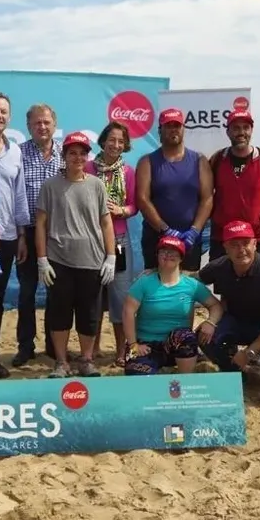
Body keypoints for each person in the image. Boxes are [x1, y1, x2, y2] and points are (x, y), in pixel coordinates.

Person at [36, 131, 116, 378]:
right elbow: (41, 223)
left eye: (82, 153)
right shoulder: (50, 186)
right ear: (65, 155)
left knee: (89, 314)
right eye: (73, 153)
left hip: (91, 261)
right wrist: (42, 260)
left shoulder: (96, 185)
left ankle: (86, 359)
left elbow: (106, 223)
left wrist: (110, 257)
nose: (78, 157)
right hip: (59, 260)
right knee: (59, 314)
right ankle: (61, 361)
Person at [197, 221, 260, 390]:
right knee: (203, 335)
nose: (241, 250)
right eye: (234, 245)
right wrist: (161, 274)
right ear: (225, 247)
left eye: (246, 243)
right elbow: (192, 280)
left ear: (255, 244)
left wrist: (249, 353)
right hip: (236, 321)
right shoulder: (220, 266)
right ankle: (234, 370)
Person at [123, 236, 223, 376]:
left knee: (186, 336)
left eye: (173, 252)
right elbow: (128, 312)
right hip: (144, 343)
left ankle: (185, 381)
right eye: (163, 251)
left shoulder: (191, 285)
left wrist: (210, 322)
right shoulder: (143, 282)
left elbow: (216, 305)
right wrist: (133, 344)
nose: (168, 255)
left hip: (176, 344)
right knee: (136, 377)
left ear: (181, 258)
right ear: (157, 255)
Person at [86, 121, 139, 366]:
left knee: (119, 294)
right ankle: (93, 347)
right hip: (90, 241)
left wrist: (121, 209)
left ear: (125, 145)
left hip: (118, 241)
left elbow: (135, 206)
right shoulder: (87, 168)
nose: (116, 145)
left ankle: (121, 349)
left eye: (121, 141)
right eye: (112, 140)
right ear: (103, 141)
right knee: (93, 295)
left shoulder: (128, 172)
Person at [136, 108, 214, 272]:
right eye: (168, 126)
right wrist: (165, 229)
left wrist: (194, 231)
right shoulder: (147, 162)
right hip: (156, 239)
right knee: (156, 291)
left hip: (189, 240)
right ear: (160, 130)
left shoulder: (199, 160)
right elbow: (142, 199)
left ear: (183, 129)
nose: (173, 130)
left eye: (177, 126)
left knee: (186, 290)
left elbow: (207, 199)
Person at [15, 103, 63, 365]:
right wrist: (21, 236)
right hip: (29, 233)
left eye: (46, 122)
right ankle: (25, 346)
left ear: (54, 124)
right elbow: (16, 198)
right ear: (29, 127)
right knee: (26, 292)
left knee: (57, 293)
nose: (42, 127)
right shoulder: (18, 154)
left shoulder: (67, 155)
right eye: (37, 123)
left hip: (59, 235)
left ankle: (54, 346)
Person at [208, 107, 260, 259]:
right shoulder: (217, 159)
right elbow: (205, 194)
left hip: (255, 238)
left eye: (246, 127)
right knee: (222, 282)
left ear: (251, 130)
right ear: (228, 131)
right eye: (236, 128)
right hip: (222, 238)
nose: (241, 132)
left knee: (257, 282)